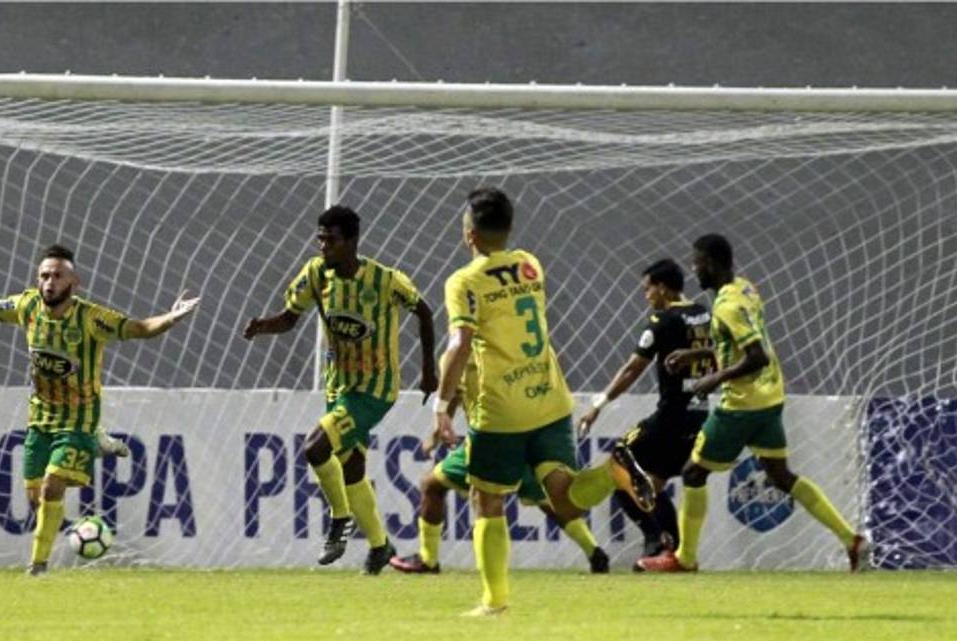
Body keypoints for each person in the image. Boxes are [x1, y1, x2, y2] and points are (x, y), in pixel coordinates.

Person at [0, 244, 199, 575]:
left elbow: (140, 329)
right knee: (35, 498)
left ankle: (37, 566)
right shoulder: (26, 306)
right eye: (43, 275)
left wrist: (171, 317)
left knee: (52, 484)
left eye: (57, 275)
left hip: (78, 418)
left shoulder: (91, 318)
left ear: (75, 281)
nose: (49, 282)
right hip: (40, 418)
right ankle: (96, 448)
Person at [433, 188, 652, 616]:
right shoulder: (530, 264)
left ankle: (494, 602)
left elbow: (461, 343)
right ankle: (612, 472)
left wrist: (441, 406)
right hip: (550, 399)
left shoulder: (464, 281)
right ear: (509, 228)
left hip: (501, 409)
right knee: (564, 496)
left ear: (469, 234)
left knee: (487, 498)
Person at [637, 233, 870, 573]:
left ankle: (684, 558)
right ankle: (852, 540)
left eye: (698, 262)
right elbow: (741, 345)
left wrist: (713, 378)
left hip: (742, 405)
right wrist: (697, 353)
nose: (694, 269)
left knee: (693, 472)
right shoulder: (744, 288)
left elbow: (756, 356)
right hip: (771, 397)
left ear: (712, 265)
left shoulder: (726, 307)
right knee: (780, 475)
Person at [244, 205, 438, 574]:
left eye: (330, 240)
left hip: (375, 390)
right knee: (351, 471)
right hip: (340, 387)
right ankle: (380, 548)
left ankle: (339, 521)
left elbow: (424, 312)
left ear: (351, 242)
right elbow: (289, 317)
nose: (323, 247)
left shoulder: (385, 280)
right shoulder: (316, 274)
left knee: (315, 447)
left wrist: (427, 370)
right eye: (320, 239)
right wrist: (263, 326)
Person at [390, 357, 610, 575]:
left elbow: (453, 392)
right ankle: (594, 551)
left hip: (491, 439)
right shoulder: (508, 346)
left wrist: (439, 428)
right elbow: (456, 392)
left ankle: (431, 562)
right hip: (526, 436)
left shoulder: (459, 353)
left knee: (449, 490)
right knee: (550, 501)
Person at [577, 258, 712, 567]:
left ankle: (658, 539)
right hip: (700, 416)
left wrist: (598, 405)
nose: (645, 295)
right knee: (651, 484)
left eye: (647, 288)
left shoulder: (662, 321)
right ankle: (673, 553)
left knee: (619, 468)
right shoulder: (704, 314)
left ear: (662, 288)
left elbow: (631, 370)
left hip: (670, 418)